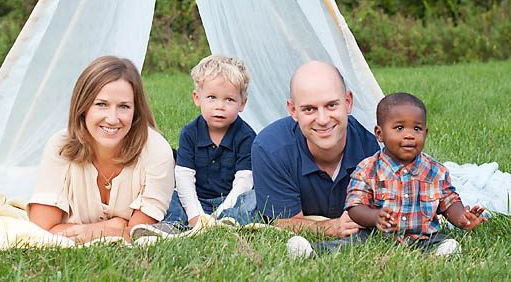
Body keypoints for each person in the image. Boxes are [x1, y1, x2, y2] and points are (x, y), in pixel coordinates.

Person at [287, 92, 487, 258]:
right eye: (399, 128)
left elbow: (449, 201)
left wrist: (461, 218)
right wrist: (375, 217)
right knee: (350, 244)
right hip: (375, 235)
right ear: (379, 133)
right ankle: (311, 250)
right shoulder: (368, 169)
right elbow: (355, 207)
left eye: (416, 129)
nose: (409, 135)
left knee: (443, 241)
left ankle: (442, 252)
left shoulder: (435, 171)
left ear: (425, 133)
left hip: (422, 236)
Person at [27, 56, 175, 243]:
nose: (112, 119)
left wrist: (93, 232)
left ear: (136, 111)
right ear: (83, 107)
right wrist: (111, 227)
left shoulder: (156, 151)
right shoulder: (60, 147)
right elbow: (42, 230)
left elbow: (137, 234)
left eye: (123, 106)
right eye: (101, 104)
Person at [252, 60, 379, 238]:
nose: (322, 119)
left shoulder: (370, 146)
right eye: (309, 109)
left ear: (348, 102)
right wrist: (333, 227)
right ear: (293, 110)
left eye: (331, 105)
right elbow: (282, 223)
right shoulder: (269, 148)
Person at [164, 55, 257, 227]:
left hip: (231, 200)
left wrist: (220, 212)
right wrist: (195, 215)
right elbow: (184, 177)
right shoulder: (190, 133)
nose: (219, 106)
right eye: (212, 97)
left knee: (253, 197)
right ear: (197, 98)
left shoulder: (246, 136)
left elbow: (243, 181)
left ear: (242, 103)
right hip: (196, 199)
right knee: (168, 195)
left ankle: (229, 221)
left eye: (229, 99)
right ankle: (174, 226)